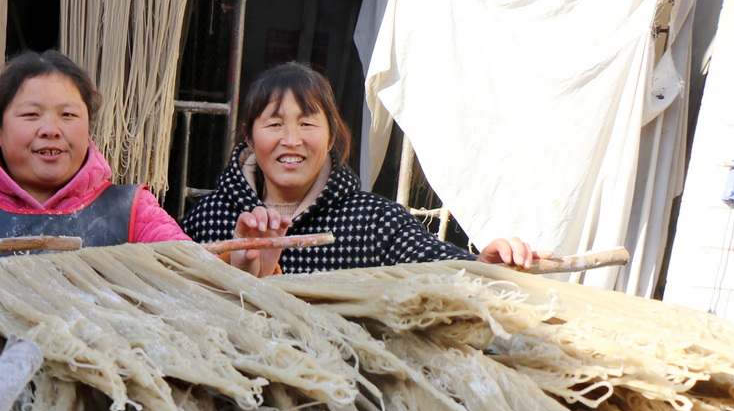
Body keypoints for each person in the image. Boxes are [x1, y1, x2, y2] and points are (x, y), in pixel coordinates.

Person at [180, 62, 540, 277]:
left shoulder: (375, 222)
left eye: (307, 124)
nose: (291, 140)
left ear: (331, 134)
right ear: (249, 136)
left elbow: (445, 272)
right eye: (274, 125)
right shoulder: (208, 219)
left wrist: (483, 264)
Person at [0, 50, 189, 246]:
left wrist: (234, 261)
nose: (51, 130)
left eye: (68, 115)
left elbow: (195, 277)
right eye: (31, 115)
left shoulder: (133, 212)